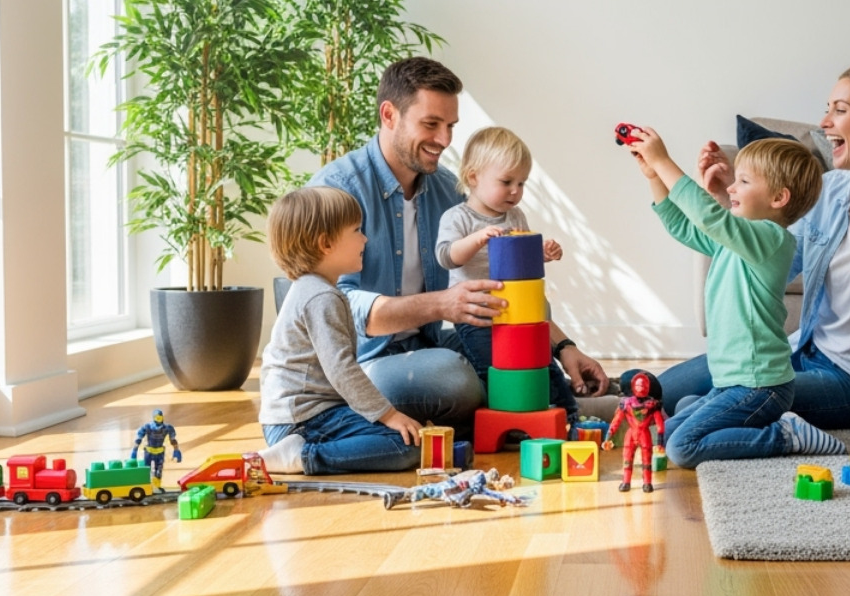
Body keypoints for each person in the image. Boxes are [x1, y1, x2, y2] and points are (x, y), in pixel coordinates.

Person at [644, 62, 850, 439]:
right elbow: (770, 258)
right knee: (661, 394)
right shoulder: (829, 189)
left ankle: (790, 435)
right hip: (799, 353)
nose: (825, 122)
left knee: (721, 404)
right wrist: (729, 200)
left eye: (840, 110)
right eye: (828, 108)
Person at [310, 58, 608, 432]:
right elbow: (330, 304)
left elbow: (510, 289)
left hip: (429, 345)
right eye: (430, 124)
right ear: (389, 115)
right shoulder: (336, 191)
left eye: (450, 126)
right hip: (362, 361)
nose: (445, 140)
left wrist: (563, 347)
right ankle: (547, 410)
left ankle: (557, 405)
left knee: (509, 352)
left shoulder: (447, 190)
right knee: (453, 380)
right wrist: (440, 303)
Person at [624, 127, 848, 468]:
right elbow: (684, 227)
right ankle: (736, 420)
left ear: (778, 199)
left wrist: (664, 161)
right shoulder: (738, 241)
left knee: (683, 448)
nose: (731, 187)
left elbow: (709, 218)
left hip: (760, 387)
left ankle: (786, 436)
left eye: (743, 182)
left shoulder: (772, 239)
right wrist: (655, 176)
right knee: (666, 433)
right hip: (732, 383)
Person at [257, 186, 426, 475]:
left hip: (299, 416)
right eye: (357, 230)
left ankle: (298, 451)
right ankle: (303, 456)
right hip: (303, 421)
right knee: (404, 446)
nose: (365, 238)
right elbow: (341, 368)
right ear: (325, 243)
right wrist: (388, 415)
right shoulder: (321, 297)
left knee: (403, 434)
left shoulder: (313, 290)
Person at [434, 126, 580, 425]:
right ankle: (508, 420)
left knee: (540, 362)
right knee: (496, 368)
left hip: (516, 313)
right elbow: (446, 256)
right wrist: (478, 238)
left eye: (522, 183)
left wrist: (541, 253)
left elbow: (519, 262)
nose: (516, 190)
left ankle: (570, 416)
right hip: (477, 316)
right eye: (506, 182)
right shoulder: (458, 217)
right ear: (473, 177)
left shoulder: (515, 216)